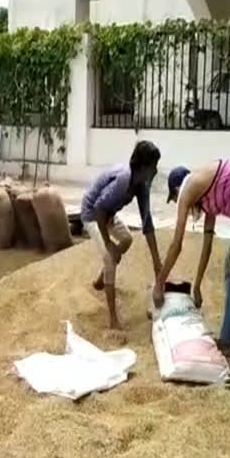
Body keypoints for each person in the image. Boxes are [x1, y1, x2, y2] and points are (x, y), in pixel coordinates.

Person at [152, 158, 230, 372]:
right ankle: (225, 341)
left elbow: (176, 244)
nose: (184, 208)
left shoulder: (189, 188)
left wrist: (159, 283)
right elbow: (207, 242)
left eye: (175, 197)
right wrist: (196, 285)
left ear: (177, 190)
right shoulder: (206, 192)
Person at [81, 140, 163, 330]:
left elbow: (147, 223)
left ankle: (101, 280)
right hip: (92, 213)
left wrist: (157, 262)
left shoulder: (141, 185)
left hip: (107, 214)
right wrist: (108, 242)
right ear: (142, 167)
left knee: (126, 239)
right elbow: (99, 207)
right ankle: (112, 319)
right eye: (154, 167)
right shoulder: (123, 181)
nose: (156, 171)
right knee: (110, 258)